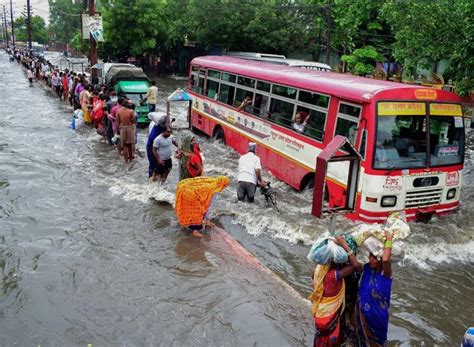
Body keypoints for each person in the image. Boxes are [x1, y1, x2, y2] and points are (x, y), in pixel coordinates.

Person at [309, 236, 360, 347]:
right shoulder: (335, 275)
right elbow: (355, 265)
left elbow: (314, 279)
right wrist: (345, 246)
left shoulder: (319, 270)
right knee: (334, 338)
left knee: (322, 338)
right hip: (334, 314)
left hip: (321, 312)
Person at [355, 230, 393, 347]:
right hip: (361, 315)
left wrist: (389, 240)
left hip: (377, 319)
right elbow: (355, 264)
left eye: (375, 258)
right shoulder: (367, 268)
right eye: (371, 256)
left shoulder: (386, 274)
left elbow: (386, 260)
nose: (371, 260)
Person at [146, 113, 167, 180]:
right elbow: (153, 149)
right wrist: (158, 159)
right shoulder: (155, 133)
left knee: (160, 165)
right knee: (153, 163)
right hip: (151, 147)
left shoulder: (159, 127)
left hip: (159, 147)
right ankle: (151, 177)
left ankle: (158, 177)